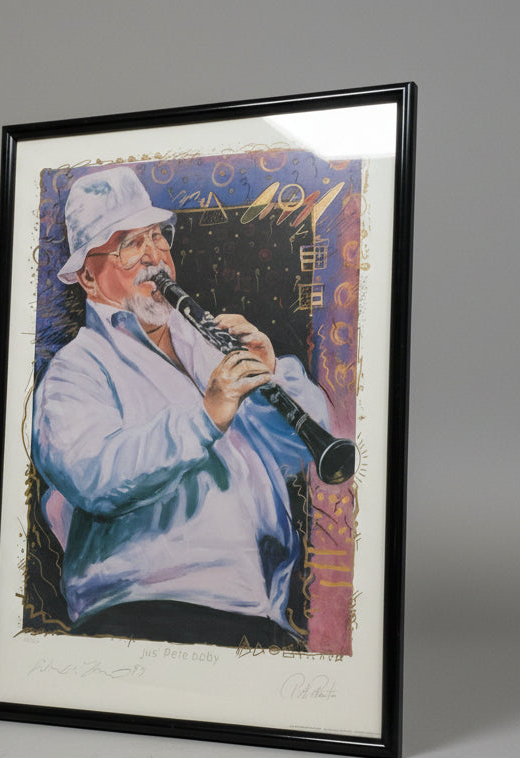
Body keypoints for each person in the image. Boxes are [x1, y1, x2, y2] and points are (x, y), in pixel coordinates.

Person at [31, 165, 334, 648]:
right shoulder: (77, 368)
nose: (155, 256)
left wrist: (273, 374)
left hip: (252, 608)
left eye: (157, 236)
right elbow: (95, 476)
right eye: (130, 243)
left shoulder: (206, 346)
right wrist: (205, 416)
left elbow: (298, 455)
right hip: (142, 612)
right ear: (88, 276)